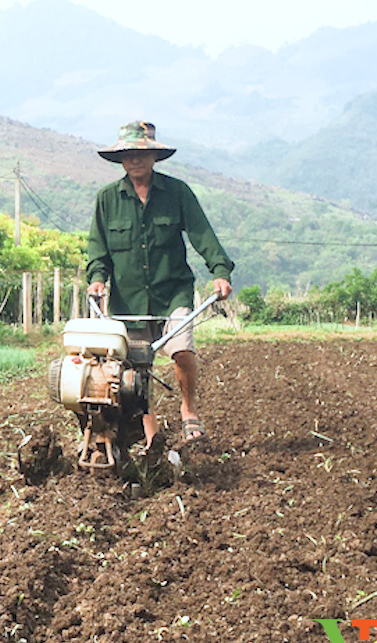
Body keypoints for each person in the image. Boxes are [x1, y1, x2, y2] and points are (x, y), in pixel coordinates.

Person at [85, 120, 234, 454]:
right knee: (138, 372)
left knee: (181, 350)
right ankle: (151, 437)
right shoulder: (107, 200)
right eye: (127, 155)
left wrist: (220, 271)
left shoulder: (177, 193)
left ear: (154, 156)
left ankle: (189, 408)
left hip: (172, 293)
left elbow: (203, 235)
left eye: (141, 154)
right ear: (120, 159)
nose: (134, 160)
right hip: (129, 302)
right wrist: (97, 278)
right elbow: (98, 250)